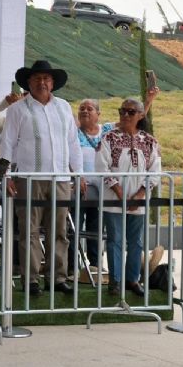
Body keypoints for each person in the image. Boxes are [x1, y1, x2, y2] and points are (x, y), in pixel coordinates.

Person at [0, 60, 82, 296]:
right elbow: (7, 143)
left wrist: (79, 173)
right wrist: (7, 176)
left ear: (52, 82)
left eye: (46, 78)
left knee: (59, 231)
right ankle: (31, 279)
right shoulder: (17, 110)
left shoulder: (64, 107)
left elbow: (73, 142)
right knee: (30, 231)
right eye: (37, 79)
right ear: (29, 83)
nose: (42, 82)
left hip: (61, 178)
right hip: (28, 178)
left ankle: (57, 278)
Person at [96, 98, 161, 297]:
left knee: (136, 242)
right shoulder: (108, 138)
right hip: (113, 200)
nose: (125, 115)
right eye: (122, 111)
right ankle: (114, 281)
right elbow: (101, 167)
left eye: (130, 112)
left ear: (141, 115)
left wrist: (140, 194)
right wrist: (118, 191)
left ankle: (132, 279)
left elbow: (155, 171)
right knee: (114, 240)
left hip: (138, 201)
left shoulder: (149, 141)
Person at [74, 98, 113, 269]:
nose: (85, 111)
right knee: (74, 225)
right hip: (79, 186)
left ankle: (95, 264)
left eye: (89, 108)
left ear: (98, 114)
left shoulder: (106, 130)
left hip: (101, 188)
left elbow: (132, 120)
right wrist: (77, 177)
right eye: (82, 108)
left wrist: (148, 101)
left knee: (95, 226)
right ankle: (71, 265)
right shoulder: (73, 132)